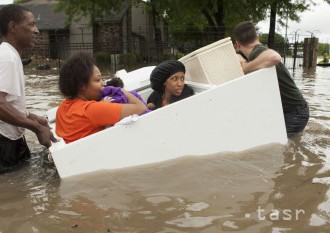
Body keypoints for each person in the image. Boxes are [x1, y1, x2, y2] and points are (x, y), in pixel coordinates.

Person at [0, 4, 58, 173]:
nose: (37, 30)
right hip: (4, 142)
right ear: (13, 27)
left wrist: (33, 118)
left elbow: (10, 102)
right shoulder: (7, 58)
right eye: (31, 24)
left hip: (12, 138)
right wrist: (37, 128)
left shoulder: (10, 54)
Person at [233, 21, 309, 138]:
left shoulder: (257, 52)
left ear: (237, 44)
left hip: (294, 113)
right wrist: (238, 56)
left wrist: (243, 69)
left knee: (280, 150)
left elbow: (275, 57)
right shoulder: (255, 54)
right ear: (257, 37)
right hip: (295, 111)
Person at [55, 52, 147, 143]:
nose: (103, 84)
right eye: (98, 80)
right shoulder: (92, 109)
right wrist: (119, 90)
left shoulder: (62, 108)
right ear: (81, 85)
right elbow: (141, 107)